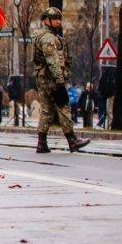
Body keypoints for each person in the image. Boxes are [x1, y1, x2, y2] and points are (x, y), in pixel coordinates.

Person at [32, 8, 90, 153]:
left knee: (46, 110)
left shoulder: (44, 35)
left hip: (43, 78)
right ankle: (72, 140)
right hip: (52, 79)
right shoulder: (48, 38)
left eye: (59, 18)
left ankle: (41, 143)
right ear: (46, 20)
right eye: (55, 18)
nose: (58, 21)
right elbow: (53, 61)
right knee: (64, 107)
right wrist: (59, 79)